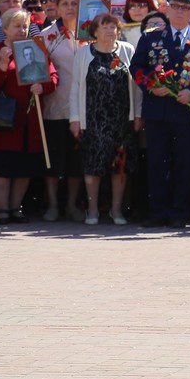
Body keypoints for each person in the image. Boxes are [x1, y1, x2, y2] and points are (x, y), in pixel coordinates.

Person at [129, 0, 190, 229]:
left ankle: (180, 211)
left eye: (185, 7)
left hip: (186, 112)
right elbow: (135, 68)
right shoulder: (150, 38)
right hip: (157, 110)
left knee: (184, 163)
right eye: (175, 6)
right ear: (167, 9)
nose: (179, 11)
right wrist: (149, 85)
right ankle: (157, 211)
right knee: (157, 163)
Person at [0, 9, 58, 223]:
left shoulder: (36, 48)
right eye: (16, 26)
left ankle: (16, 208)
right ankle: (2, 209)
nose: (21, 30)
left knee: (24, 167)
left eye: (24, 26)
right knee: (3, 166)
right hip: (5, 120)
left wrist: (43, 87)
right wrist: (2, 65)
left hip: (31, 120)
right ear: (5, 29)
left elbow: (52, 76)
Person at [69, 13, 141, 225]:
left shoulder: (127, 51)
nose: (110, 31)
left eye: (114, 27)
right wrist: (74, 118)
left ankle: (116, 210)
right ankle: (92, 210)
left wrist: (138, 114)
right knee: (93, 166)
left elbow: (136, 88)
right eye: (105, 27)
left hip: (121, 119)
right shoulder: (84, 53)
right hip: (93, 119)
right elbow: (76, 87)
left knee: (119, 166)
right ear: (95, 31)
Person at [39, 0, 85, 222]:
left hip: (84, 110)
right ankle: (53, 204)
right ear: (57, 7)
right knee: (54, 161)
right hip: (55, 107)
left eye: (74, 3)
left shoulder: (91, 33)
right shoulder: (47, 36)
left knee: (77, 162)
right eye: (65, 3)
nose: (69, 7)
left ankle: (72, 205)